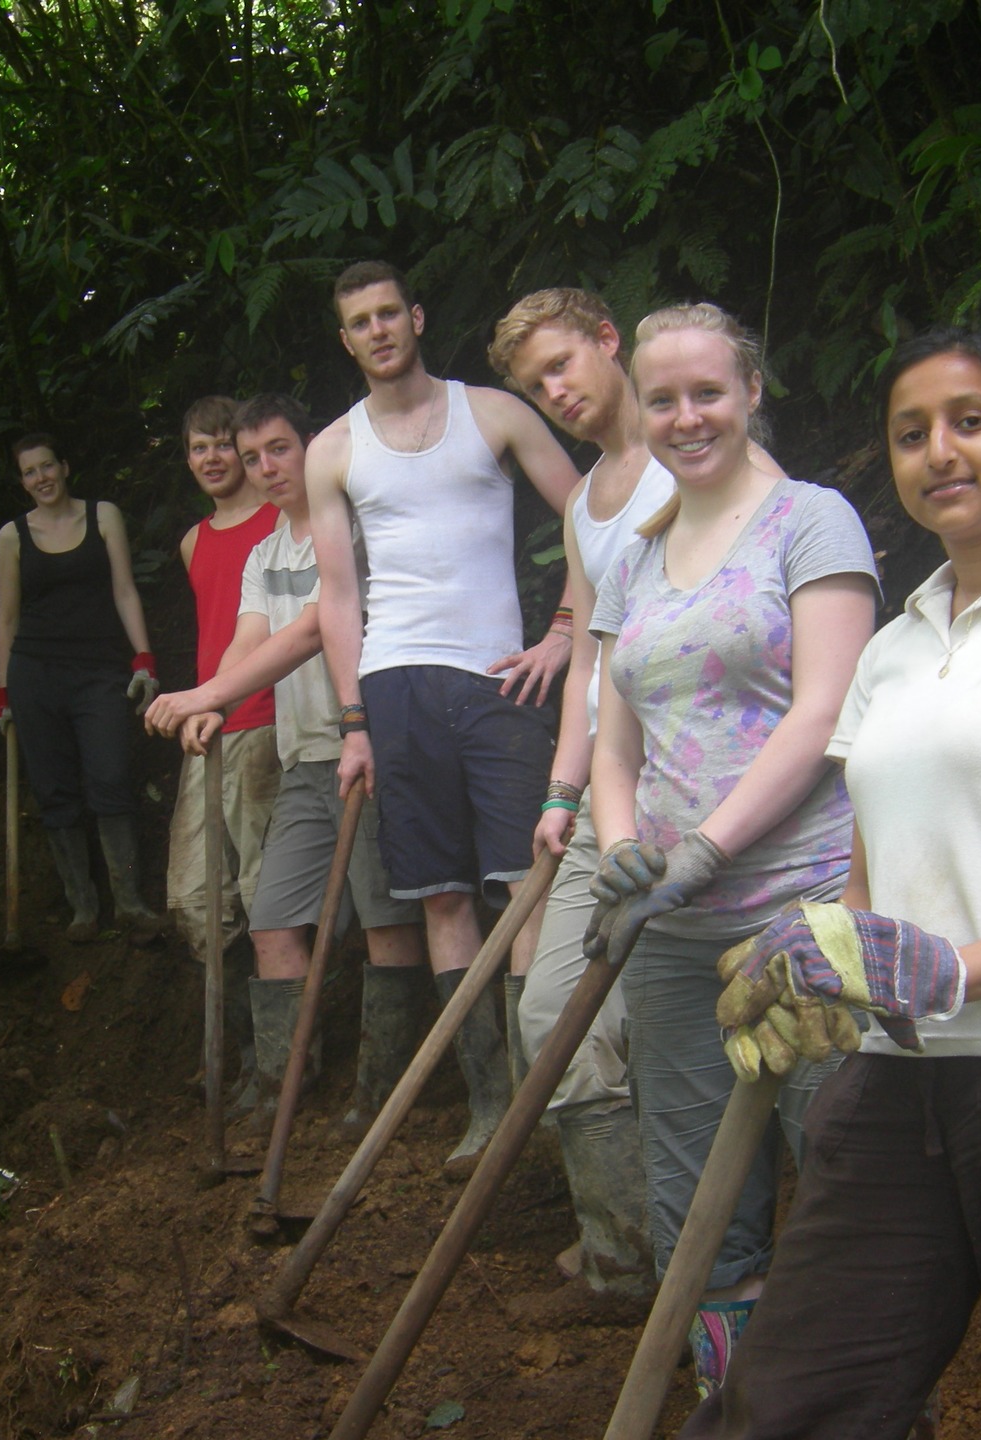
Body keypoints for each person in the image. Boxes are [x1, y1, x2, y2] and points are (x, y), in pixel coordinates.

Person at [681, 327, 981, 1439]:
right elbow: (874, 883)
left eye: (972, 421)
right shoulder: (894, 650)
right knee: (790, 1398)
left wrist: (956, 968)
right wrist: (813, 946)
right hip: (897, 1081)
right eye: (911, 434)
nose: (940, 452)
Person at [584, 303, 878, 1396]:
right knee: (696, 1213)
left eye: (708, 392)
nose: (686, 416)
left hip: (804, 910)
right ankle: (738, 1408)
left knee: (849, 1185)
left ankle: (863, 1411)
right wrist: (625, 852)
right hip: (671, 926)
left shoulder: (814, 521)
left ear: (752, 391)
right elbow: (616, 741)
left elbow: (823, 714)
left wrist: (707, 846)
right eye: (662, 399)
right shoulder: (638, 556)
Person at [307, 260, 584, 1179]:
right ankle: (487, 1105)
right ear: (345, 340)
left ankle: (545, 1104)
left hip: (501, 678)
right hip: (394, 684)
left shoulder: (494, 415)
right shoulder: (332, 449)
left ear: (417, 318)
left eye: (391, 312)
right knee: (441, 895)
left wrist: (564, 629)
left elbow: (593, 515)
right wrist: (354, 723)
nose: (379, 330)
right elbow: (341, 597)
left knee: (525, 884)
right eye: (360, 321)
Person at [146, 394, 426, 1131]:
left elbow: (309, 631)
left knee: (384, 920)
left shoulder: (351, 528)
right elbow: (251, 639)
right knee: (272, 922)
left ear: (311, 447)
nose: (264, 468)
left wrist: (206, 691)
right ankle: (284, 1082)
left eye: (278, 449)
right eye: (250, 457)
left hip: (367, 746)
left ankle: (384, 1088)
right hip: (302, 755)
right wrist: (215, 704)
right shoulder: (266, 551)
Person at [487, 288, 675, 1306]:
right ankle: (622, 1245)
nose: (554, 392)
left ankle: (660, 1246)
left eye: (562, 364)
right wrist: (561, 793)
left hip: (684, 786)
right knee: (554, 1003)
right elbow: (587, 664)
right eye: (533, 384)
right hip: (601, 789)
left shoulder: (695, 455)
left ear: (611, 340)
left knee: (671, 1020)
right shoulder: (584, 496)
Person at [0, 432, 164, 940]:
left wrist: (144, 661)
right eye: (30, 472)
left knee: (110, 777)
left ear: (64, 467)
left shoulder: (102, 516)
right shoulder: (12, 536)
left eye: (47, 466)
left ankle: (130, 904)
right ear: (22, 481)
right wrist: (2, 695)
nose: (41, 478)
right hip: (35, 674)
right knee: (54, 790)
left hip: (98, 670)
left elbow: (124, 590)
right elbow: (7, 620)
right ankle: (83, 911)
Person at [162, 397, 283, 1108]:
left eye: (221, 446)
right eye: (197, 448)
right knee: (196, 899)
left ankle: (274, 1068)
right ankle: (234, 1053)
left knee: (265, 894)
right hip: (207, 729)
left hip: (266, 722)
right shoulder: (193, 541)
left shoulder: (278, 520)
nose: (211, 459)